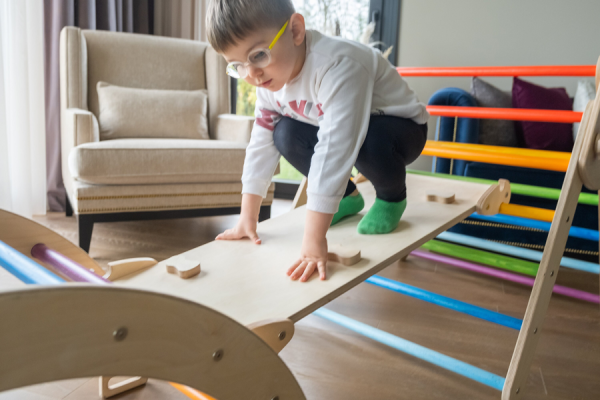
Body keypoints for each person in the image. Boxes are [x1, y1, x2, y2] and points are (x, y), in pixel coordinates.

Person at [207, 0, 429, 283]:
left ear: (296, 31)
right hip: (353, 131)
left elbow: (336, 146)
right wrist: (247, 217)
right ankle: (348, 197)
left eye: (258, 55)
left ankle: (392, 198)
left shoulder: (338, 65)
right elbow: (261, 145)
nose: (251, 75)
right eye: (237, 66)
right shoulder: (267, 84)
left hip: (403, 130)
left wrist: (314, 240)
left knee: (365, 140)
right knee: (282, 133)